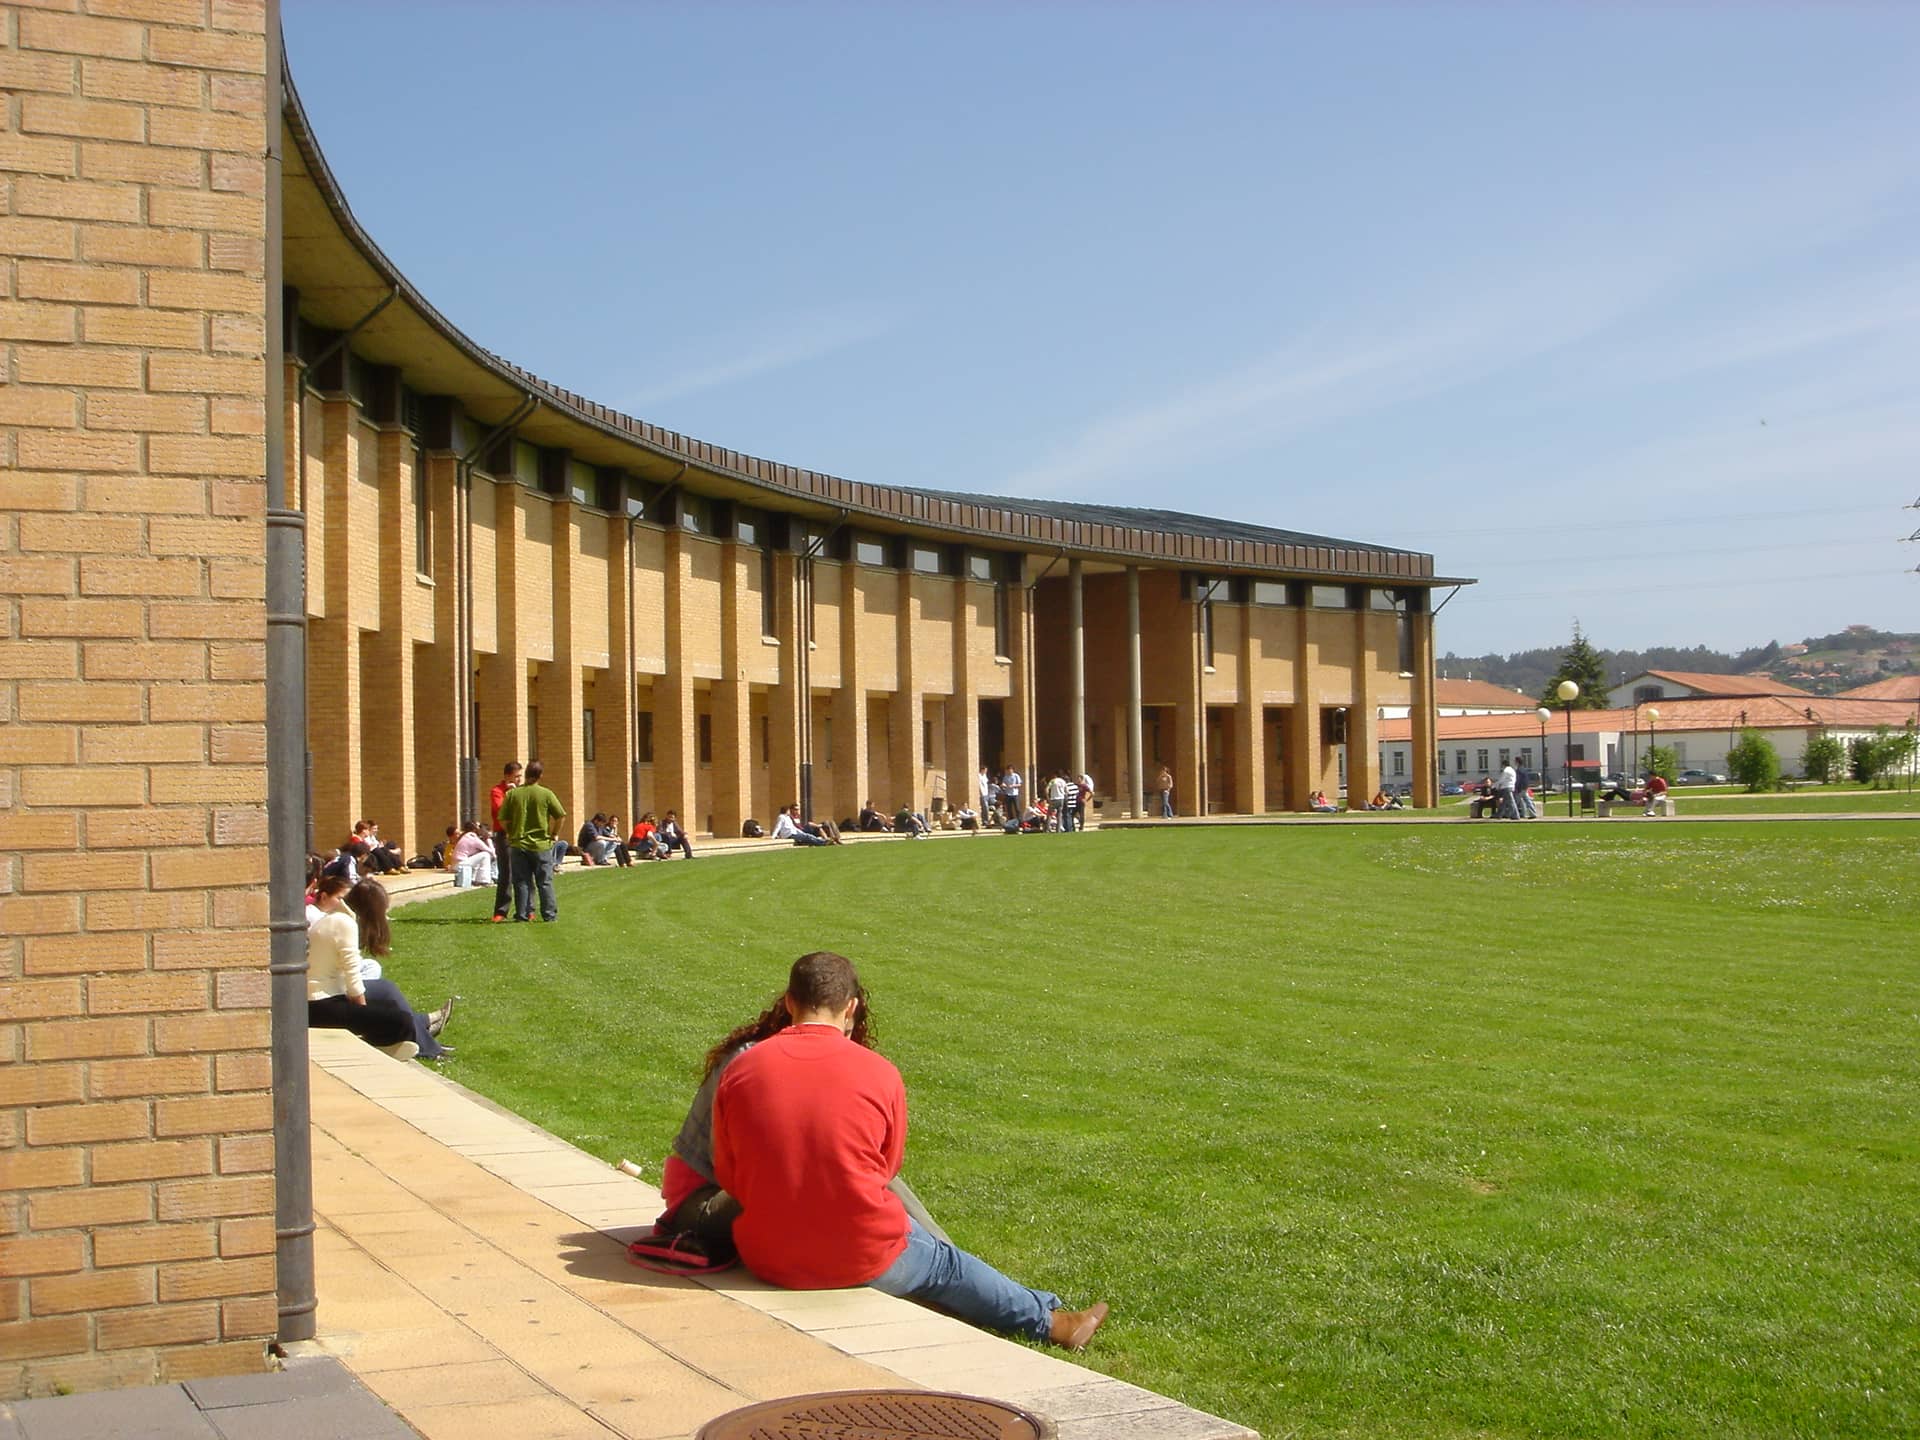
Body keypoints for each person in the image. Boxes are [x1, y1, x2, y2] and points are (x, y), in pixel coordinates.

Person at [712, 952, 1109, 1350]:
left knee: (914, 1249)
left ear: (788, 1002)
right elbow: (886, 1168)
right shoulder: (877, 1071)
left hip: (767, 1256)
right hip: (859, 1254)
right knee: (945, 1264)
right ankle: (1051, 1322)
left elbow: (728, 1174)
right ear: (850, 1007)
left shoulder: (741, 1069)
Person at [652, 974, 947, 1261]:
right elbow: (730, 1165)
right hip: (701, 1202)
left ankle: (941, 1253)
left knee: (857, 1173)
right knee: (846, 1181)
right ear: (849, 1011)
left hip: (744, 1195)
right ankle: (942, 1255)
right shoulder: (749, 1061)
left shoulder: (796, 1065)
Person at [343, 879, 455, 1060]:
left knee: (375, 972)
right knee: (387, 990)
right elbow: (349, 973)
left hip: (338, 980)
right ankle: (429, 1048)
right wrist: (363, 1011)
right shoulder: (347, 924)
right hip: (335, 985)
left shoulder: (350, 919)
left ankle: (423, 1023)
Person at [498, 759, 566, 922]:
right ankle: (549, 915)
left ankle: (522, 914)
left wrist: (511, 832)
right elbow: (560, 815)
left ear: (526, 774)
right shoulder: (546, 794)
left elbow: (502, 819)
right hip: (541, 844)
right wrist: (554, 833)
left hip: (518, 844)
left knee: (521, 881)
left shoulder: (513, 794)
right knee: (545, 882)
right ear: (540, 775)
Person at [488, 760, 522, 923]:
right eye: (516, 777)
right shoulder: (497, 791)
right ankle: (501, 910)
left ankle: (526, 910)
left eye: (520, 776)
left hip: (520, 835)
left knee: (524, 873)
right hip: (504, 836)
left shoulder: (521, 791)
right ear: (507, 776)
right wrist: (510, 795)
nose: (519, 780)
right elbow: (501, 812)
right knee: (506, 873)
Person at [450, 822, 495, 888]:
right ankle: (484, 880)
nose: (481, 829)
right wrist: (488, 840)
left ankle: (475, 879)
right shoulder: (473, 838)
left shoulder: (466, 836)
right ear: (474, 829)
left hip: (456, 865)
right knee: (485, 855)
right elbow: (492, 853)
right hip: (460, 865)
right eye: (479, 827)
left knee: (479, 856)